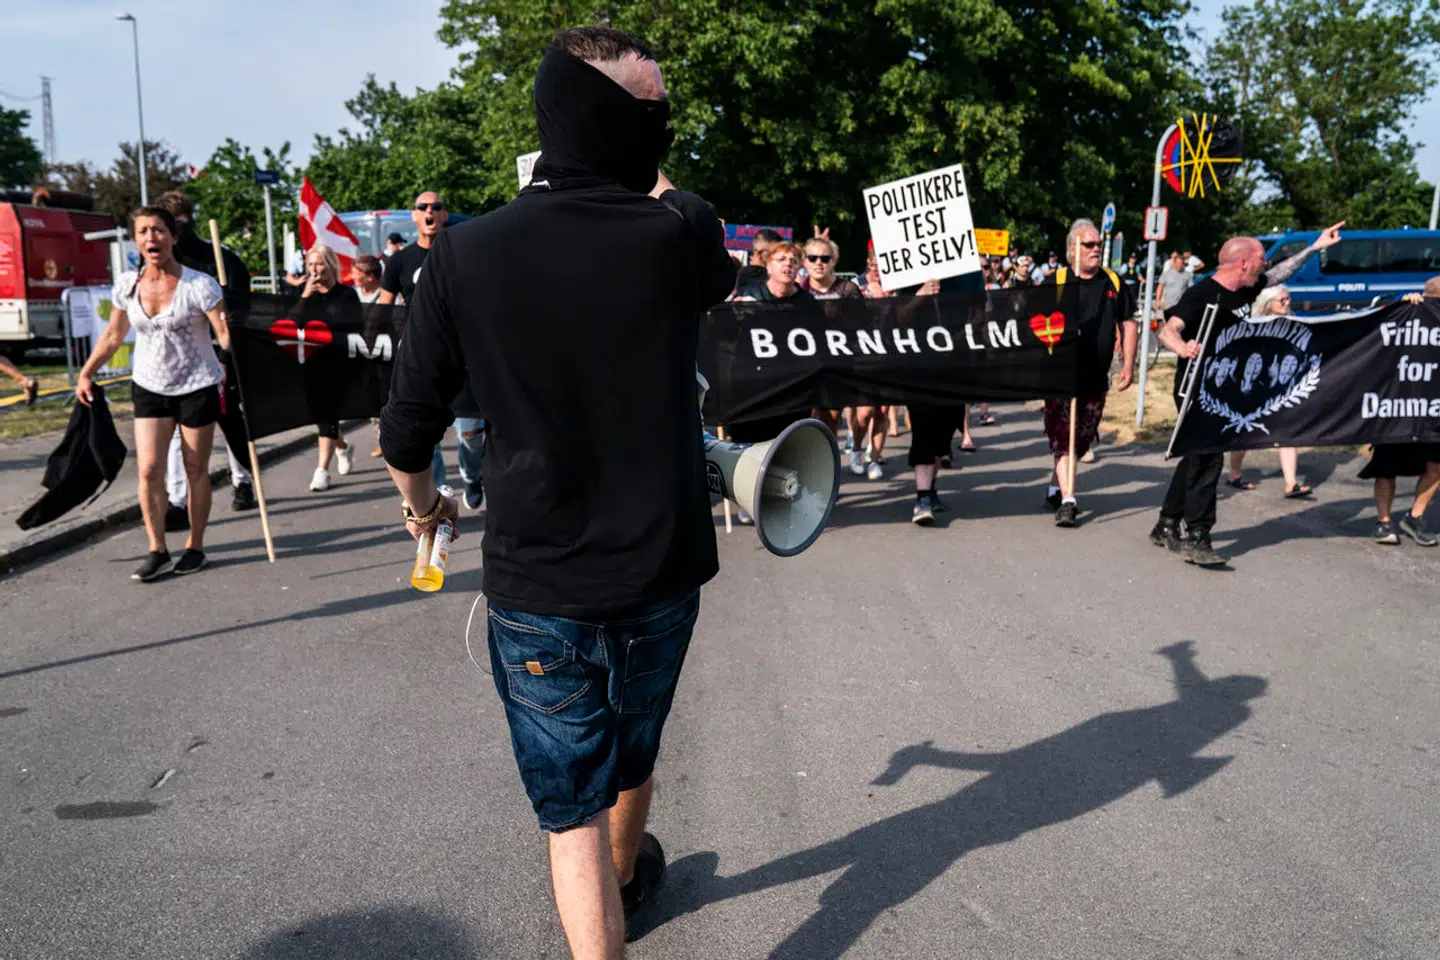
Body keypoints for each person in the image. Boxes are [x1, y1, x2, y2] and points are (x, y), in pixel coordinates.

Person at [379, 26, 737, 958]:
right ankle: (625, 880)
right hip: (660, 570)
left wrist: (424, 515)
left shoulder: (462, 255)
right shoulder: (678, 232)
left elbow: (403, 434)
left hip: (539, 583)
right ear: (600, 120)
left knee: (569, 804)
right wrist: (646, 180)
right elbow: (696, 236)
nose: (662, 126)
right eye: (649, 109)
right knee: (633, 750)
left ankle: (609, 894)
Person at [1151, 222, 1345, 566]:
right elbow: (1169, 330)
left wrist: (1314, 247)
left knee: (1196, 455)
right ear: (1242, 263)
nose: (1265, 265)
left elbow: (1281, 271)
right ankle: (1198, 535)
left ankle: (1166, 523)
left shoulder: (1246, 288)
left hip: (1223, 389)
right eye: (1260, 259)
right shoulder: (1201, 295)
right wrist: (1182, 348)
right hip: (1196, 389)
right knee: (1208, 457)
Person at [75, 206, 230, 581]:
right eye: (143, 231)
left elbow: (223, 334)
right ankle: (157, 549)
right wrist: (86, 372)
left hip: (197, 384)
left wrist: (233, 341)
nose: (150, 238)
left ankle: (195, 546)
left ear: (173, 237)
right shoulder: (127, 284)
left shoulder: (199, 284)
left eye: (158, 230)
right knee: (148, 469)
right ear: (136, 239)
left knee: (195, 468)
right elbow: (113, 335)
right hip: (149, 384)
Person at [155, 190, 256, 524]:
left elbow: (242, 308)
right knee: (176, 431)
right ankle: (177, 500)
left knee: (229, 420)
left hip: (220, 353)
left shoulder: (219, 259)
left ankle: (242, 481)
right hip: (177, 361)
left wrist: (229, 341)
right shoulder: (162, 267)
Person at [1041, 218, 1137, 526]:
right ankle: (1069, 501)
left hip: (1096, 376)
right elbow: (1033, 322)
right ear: (1072, 250)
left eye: (1098, 244)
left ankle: (1057, 486)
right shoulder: (1054, 282)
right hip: (1059, 377)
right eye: (1089, 245)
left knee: (1081, 440)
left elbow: (1129, 322)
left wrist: (1129, 364)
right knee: (1061, 436)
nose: (1096, 249)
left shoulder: (1113, 281)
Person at [377, 190, 457, 489]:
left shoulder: (459, 252)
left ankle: (472, 478)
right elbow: (381, 308)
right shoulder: (400, 261)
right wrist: (370, 340)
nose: (429, 211)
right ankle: (437, 489)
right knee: (423, 424)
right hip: (419, 353)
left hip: (461, 352)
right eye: (423, 207)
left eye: (436, 207)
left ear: (444, 215)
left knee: (470, 433)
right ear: (414, 216)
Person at [1365, 280, 1440, 546]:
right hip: (1398, 406)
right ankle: (1384, 522)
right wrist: (1404, 305)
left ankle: (1414, 517)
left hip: (1433, 410)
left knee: (1436, 465)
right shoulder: (1407, 315)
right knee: (1386, 468)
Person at [1224, 285, 1312, 498]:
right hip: (1254, 384)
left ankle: (1291, 483)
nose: (1287, 303)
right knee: (1244, 434)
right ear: (1267, 303)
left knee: (1287, 433)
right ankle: (1234, 473)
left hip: (1281, 386)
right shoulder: (1252, 325)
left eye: (1288, 299)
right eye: (1282, 300)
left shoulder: (1293, 324)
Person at [295, 243, 358, 492]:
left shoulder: (347, 295)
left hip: (339, 364)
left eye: (319, 263)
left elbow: (356, 327)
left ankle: (321, 470)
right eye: (310, 264)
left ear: (331, 265)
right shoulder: (305, 293)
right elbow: (290, 323)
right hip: (312, 363)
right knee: (320, 414)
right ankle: (342, 446)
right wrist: (305, 296)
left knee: (327, 414)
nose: (314, 269)